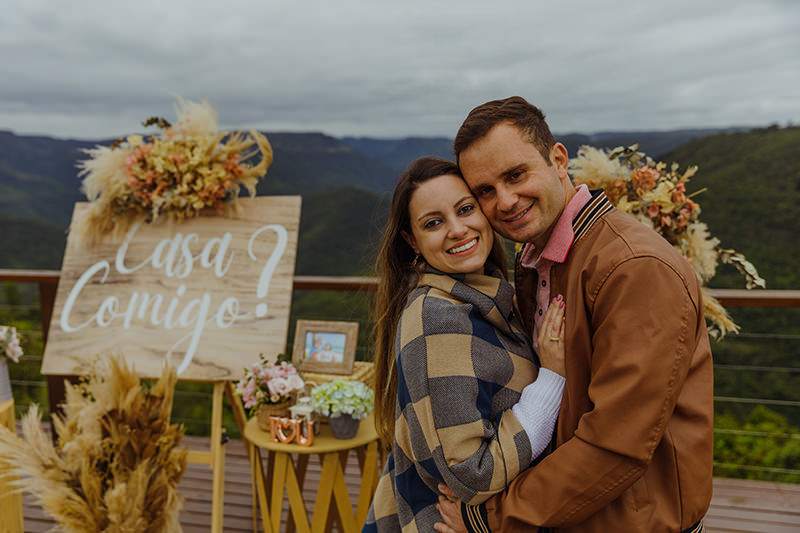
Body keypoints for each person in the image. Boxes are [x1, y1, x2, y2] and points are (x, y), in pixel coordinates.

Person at [434, 96, 713, 532]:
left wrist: (494, 518)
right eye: (485, 191)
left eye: (515, 175)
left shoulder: (634, 268)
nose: (504, 201)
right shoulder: (538, 259)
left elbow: (616, 444)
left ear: (558, 159)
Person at [363, 157, 568, 532]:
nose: (458, 229)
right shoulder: (440, 318)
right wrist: (553, 378)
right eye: (434, 223)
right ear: (412, 240)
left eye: (466, 209)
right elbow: (471, 475)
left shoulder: (482, 298)